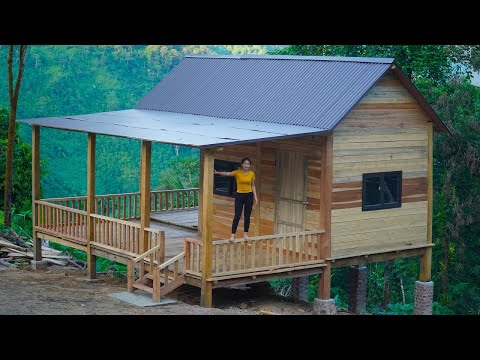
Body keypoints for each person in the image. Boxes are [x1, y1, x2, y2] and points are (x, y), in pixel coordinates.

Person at [214, 157, 258, 242]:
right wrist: (218, 172)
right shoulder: (237, 172)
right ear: (242, 165)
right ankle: (232, 235)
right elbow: (227, 173)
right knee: (237, 215)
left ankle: (245, 234)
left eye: (248, 164)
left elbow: (253, 185)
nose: (246, 165)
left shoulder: (252, 174)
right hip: (239, 195)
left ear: (249, 165)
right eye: (245, 164)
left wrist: (255, 197)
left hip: (249, 195)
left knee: (247, 216)